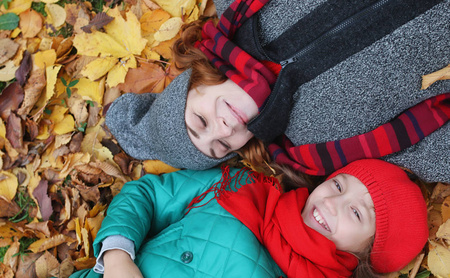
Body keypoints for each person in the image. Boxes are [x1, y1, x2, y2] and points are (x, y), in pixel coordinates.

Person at [105, 0, 450, 182]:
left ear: (195, 83)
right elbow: (430, 150)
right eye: (221, 146)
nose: (222, 130)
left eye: (200, 120)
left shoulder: (239, 9)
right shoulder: (317, 143)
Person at [0, 159, 429, 278]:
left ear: (370, 254)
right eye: (339, 185)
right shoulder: (243, 186)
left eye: (357, 214)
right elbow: (148, 195)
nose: (332, 204)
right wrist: (116, 254)